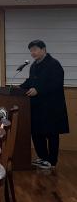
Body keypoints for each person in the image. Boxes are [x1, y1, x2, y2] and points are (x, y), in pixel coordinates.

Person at [20, 40, 69, 169]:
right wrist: (18, 88)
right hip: (36, 107)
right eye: (31, 50)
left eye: (35, 49)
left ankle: (52, 161)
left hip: (51, 107)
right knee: (36, 133)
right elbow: (30, 81)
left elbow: (56, 83)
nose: (32, 53)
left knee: (51, 133)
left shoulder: (54, 64)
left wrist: (39, 90)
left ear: (43, 49)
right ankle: (43, 158)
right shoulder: (34, 65)